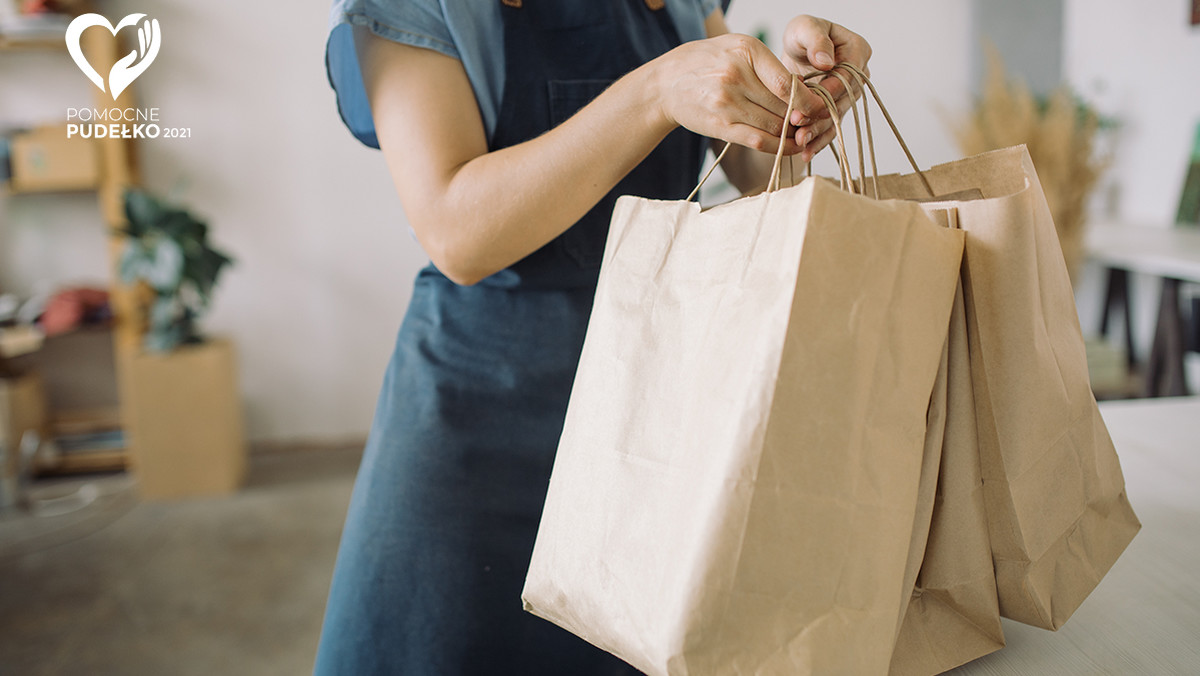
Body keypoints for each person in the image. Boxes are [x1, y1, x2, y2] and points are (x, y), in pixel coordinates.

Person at [315, 2, 872, 674]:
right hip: (481, 425)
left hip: (656, 411)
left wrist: (801, 99)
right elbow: (457, 232)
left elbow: (759, 171)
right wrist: (657, 89)